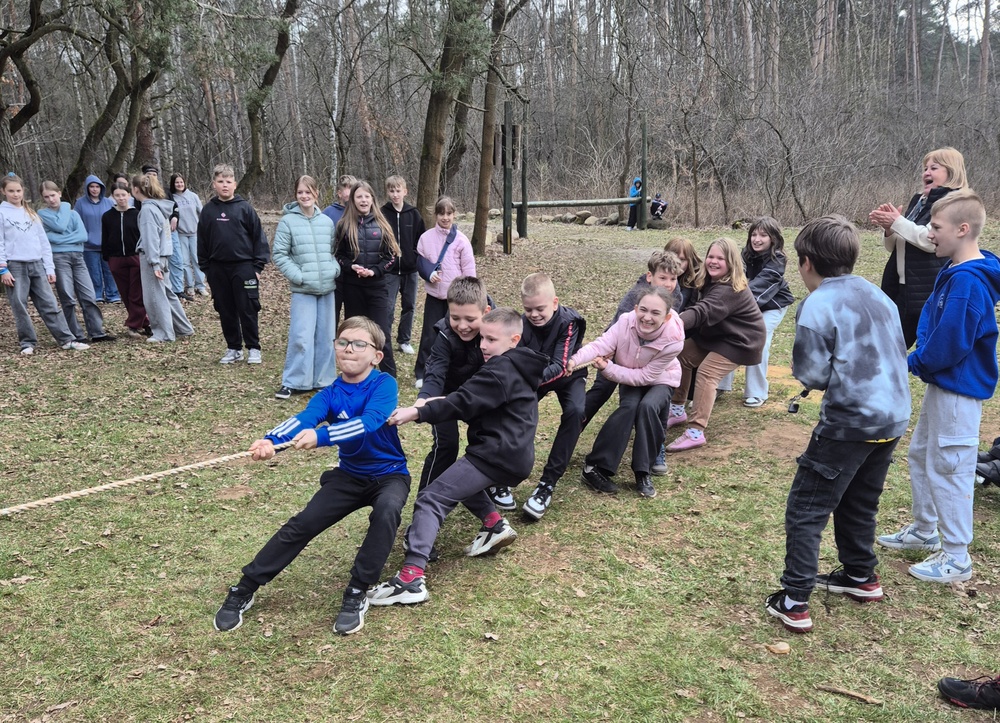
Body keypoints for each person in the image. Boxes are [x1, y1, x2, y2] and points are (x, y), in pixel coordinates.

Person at [213, 316, 410, 637]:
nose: (349, 348)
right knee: (302, 524)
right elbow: (305, 418)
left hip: (390, 475)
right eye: (343, 342)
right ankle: (245, 588)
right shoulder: (329, 394)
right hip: (349, 477)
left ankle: (358, 590)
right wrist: (270, 441)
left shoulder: (383, 384)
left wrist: (322, 436)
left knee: (387, 510)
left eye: (359, 344)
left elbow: (370, 422)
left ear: (376, 356)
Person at [763, 215, 911, 634]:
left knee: (806, 508)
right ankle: (860, 575)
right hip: (893, 417)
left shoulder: (817, 304)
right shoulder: (877, 294)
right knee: (859, 499)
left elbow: (813, 375)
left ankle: (794, 600)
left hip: (849, 423)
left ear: (806, 262)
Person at [368, 308, 547, 606]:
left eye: (491, 339)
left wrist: (416, 413)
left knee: (431, 498)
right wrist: (421, 405)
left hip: (495, 455)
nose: (483, 345)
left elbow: (461, 402)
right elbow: (465, 396)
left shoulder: (500, 370)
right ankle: (494, 524)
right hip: (513, 456)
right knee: (456, 480)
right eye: (483, 338)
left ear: (514, 339)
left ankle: (411, 579)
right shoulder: (518, 366)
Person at [877, 189, 1000, 584]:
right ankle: (925, 529)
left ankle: (957, 556)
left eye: (935, 227)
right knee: (922, 454)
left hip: (958, 390)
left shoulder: (967, 282)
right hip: (943, 384)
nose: (929, 234)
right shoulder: (956, 270)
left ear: (963, 230)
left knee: (951, 467)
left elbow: (950, 343)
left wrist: (910, 361)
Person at [408, 275, 491, 561]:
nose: (462, 325)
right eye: (455, 317)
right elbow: (435, 373)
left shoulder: (496, 330)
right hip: (445, 396)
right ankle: (419, 521)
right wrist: (424, 402)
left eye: (470, 319)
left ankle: (491, 497)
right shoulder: (443, 334)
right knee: (446, 446)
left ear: (485, 312)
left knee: (487, 446)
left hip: (480, 397)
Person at [574, 287, 685, 499]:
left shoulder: (674, 339)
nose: (647, 317)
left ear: (667, 317)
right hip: (629, 373)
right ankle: (595, 467)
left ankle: (643, 472)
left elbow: (645, 377)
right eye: (643, 310)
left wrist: (608, 368)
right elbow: (600, 345)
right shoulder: (625, 322)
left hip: (661, 378)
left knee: (648, 407)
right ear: (635, 308)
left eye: (655, 313)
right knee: (629, 407)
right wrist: (574, 360)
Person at [498, 272, 587, 520]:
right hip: (535, 376)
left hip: (567, 375)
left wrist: (527, 382)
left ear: (555, 303)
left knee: (576, 411)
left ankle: (547, 484)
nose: (534, 314)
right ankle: (500, 476)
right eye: (528, 309)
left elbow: (559, 365)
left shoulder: (569, 322)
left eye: (540, 309)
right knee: (510, 411)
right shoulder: (520, 324)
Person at [665, 237, 765, 452]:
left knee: (707, 372)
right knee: (681, 355)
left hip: (741, 341)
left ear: (731, 262)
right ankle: (677, 409)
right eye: (711, 256)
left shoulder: (730, 289)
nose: (713, 261)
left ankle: (695, 432)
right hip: (717, 335)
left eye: (721, 258)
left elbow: (702, 311)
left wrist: (672, 323)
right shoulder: (708, 280)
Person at [870, 147, 967, 348]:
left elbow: (931, 240)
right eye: (925, 168)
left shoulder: (954, 202)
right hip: (901, 288)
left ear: (951, 172)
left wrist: (897, 222)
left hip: (927, 290)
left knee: (928, 349)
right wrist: (889, 228)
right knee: (888, 347)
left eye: (934, 168)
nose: (926, 173)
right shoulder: (920, 200)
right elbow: (896, 245)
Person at [0, 174, 89, 354]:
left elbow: (43, 242)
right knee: (20, 306)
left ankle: (66, 339)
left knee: (50, 303)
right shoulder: (2, 213)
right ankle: (27, 342)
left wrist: (49, 268)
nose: (15, 194)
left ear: (23, 191)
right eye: (11, 191)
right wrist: (3, 269)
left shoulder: (31, 213)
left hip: (37, 264)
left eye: (18, 190)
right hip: (15, 266)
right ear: (3, 192)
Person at [271, 175, 340, 399]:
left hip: (327, 288)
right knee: (301, 337)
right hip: (303, 290)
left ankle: (324, 380)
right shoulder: (288, 222)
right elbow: (279, 255)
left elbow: (333, 252)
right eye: (300, 192)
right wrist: (298, 276)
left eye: (308, 192)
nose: (304, 196)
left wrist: (334, 269)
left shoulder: (326, 222)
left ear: (316, 193)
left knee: (326, 337)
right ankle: (295, 381)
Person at [717, 217, 795, 407]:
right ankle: (719, 385)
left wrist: (733, 306)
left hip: (773, 306)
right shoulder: (745, 254)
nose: (757, 239)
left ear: (773, 238)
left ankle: (757, 392)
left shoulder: (778, 260)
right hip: (746, 303)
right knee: (729, 333)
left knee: (759, 339)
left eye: (763, 235)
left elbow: (759, 287)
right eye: (754, 234)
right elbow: (734, 277)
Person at [197, 163, 270, 364]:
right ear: (214, 184)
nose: (225, 185)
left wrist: (257, 267)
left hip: (244, 267)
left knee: (248, 308)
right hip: (218, 268)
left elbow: (258, 238)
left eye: (228, 181)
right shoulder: (208, 210)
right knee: (225, 309)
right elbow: (202, 241)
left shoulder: (244, 208)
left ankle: (253, 348)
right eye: (220, 181)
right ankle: (234, 348)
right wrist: (207, 269)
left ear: (235, 184)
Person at [334, 181, 400, 377]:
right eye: (359, 197)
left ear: (372, 199)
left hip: (377, 288)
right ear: (353, 200)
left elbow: (392, 257)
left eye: (366, 196)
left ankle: (389, 378)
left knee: (382, 334)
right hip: (353, 288)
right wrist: (350, 266)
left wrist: (375, 271)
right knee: (355, 335)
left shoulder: (382, 224)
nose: (363, 200)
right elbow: (338, 255)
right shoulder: (344, 225)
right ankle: (356, 375)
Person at [37, 181, 115, 343]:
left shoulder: (73, 213)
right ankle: (76, 334)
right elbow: (52, 233)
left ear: (59, 193)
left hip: (78, 257)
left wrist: (58, 239)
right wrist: (67, 238)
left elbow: (83, 236)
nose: (51, 199)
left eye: (53, 195)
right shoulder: (42, 215)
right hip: (58, 258)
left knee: (88, 295)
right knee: (67, 297)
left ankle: (97, 332)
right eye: (46, 197)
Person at [413, 196, 475, 387]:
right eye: (441, 213)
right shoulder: (425, 238)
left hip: (455, 299)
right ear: (436, 215)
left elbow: (469, 271)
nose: (445, 217)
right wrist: (428, 274)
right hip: (434, 296)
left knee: (456, 334)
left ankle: (455, 371)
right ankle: (422, 373)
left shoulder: (462, 241)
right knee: (429, 335)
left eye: (449, 213)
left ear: (454, 215)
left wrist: (469, 297)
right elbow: (420, 262)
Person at [131, 172, 195, 343]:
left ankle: (163, 333)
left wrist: (154, 263)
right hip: (163, 255)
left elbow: (151, 238)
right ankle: (183, 328)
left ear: (136, 189)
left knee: (154, 296)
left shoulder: (147, 210)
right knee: (167, 293)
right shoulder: (160, 207)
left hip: (153, 258)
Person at [380, 175, 426, 357]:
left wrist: (414, 256)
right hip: (390, 270)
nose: (395, 194)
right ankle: (385, 340)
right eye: (392, 191)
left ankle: (404, 340)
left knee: (409, 306)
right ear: (388, 192)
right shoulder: (382, 213)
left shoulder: (413, 214)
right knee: (388, 307)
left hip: (410, 269)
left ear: (405, 192)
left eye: (398, 190)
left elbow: (421, 239)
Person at [102, 182, 149, 338]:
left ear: (129, 195)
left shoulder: (137, 214)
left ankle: (133, 325)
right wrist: (107, 257)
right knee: (125, 293)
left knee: (136, 293)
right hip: (116, 259)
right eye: (117, 195)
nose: (121, 198)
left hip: (135, 256)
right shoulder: (107, 216)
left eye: (123, 195)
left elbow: (143, 236)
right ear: (113, 197)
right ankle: (145, 323)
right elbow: (105, 237)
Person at [74, 174, 120, 303]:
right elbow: (76, 222)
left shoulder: (109, 202)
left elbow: (114, 222)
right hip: (89, 245)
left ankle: (112, 294)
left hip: (107, 244)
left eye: (97, 187)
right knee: (94, 271)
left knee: (109, 270)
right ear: (87, 188)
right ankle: (97, 293)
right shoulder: (80, 203)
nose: (95, 189)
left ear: (101, 188)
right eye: (92, 187)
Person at [322, 174, 356, 324]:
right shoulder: (328, 213)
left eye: (353, 188)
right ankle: (331, 337)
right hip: (333, 269)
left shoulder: (360, 212)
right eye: (347, 188)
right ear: (339, 193)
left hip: (353, 269)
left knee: (353, 313)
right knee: (332, 312)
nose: (350, 192)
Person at [169, 173, 207, 297]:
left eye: (181, 182)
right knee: (184, 261)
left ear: (184, 183)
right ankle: (189, 286)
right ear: (173, 184)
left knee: (197, 260)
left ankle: (200, 285)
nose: (179, 184)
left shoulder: (193, 196)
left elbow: (202, 213)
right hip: (180, 234)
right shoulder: (172, 198)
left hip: (195, 233)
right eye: (177, 182)